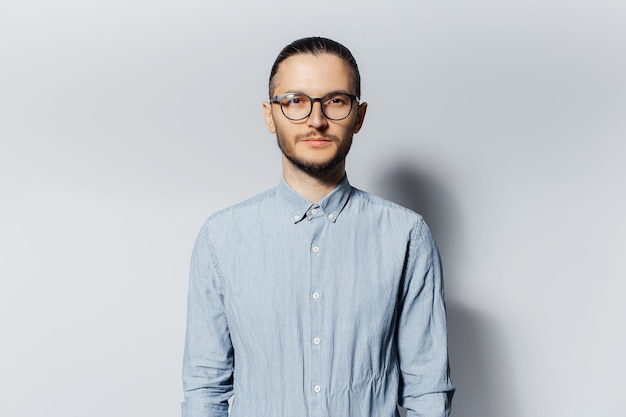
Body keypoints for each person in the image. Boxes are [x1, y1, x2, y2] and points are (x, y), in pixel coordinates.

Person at [181, 36, 455, 417]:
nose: (316, 120)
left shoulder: (406, 236)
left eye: (336, 101)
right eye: (295, 101)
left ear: (359, 116)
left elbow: (428, 393)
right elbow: (204, 391)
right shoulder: (221, 238)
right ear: (269, 114)